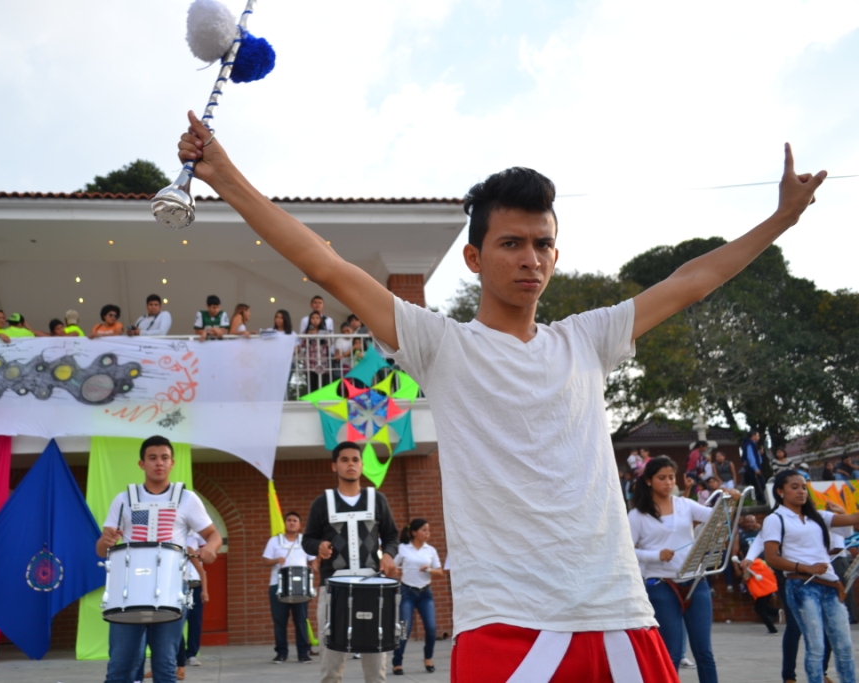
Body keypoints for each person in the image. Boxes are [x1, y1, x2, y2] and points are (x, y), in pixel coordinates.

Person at [177, 113, 826, 680]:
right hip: (508, 624)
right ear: (474, 257)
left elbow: (691, 280)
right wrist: (224, 175)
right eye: (511, 243)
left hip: (619, 614)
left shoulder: (587, 338)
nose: (530, 258)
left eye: (543, 243)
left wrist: (781, 219)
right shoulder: (440, 344)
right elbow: (325, 264)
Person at [95, 436, 222, 683]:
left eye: (164, 458)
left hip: (171, 590)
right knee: (120, 666)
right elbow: (102, 550)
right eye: (152, 458)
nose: (159, 463)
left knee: (165, 667)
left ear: (172, 463)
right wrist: (105, 541)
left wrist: (212, 548)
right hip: (128, 592)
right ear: (142, 464)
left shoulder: (187, 498)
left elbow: (212, 534)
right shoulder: (124, 500)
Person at [628, 456, 740, 681]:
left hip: (695, 580)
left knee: (704, 652)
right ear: (649, 480)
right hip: (661, 584)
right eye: (662, 478)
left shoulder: (685, 505)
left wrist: (731, 501)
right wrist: (655, 555)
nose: (668, 483)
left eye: (671, 477)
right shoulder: (637, 515)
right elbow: (626, 552)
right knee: (672, 652)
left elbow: (719, 518)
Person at [300, 442, 398, 683]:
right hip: (333, 589)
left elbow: (392, 536)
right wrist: (318, 547)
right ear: (335, 466)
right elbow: (308, 539)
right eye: (344, 460)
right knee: (331, 665)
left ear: (362, 465)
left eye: (355, 459)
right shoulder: (322, 502)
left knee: (376, 663)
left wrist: (388, 554)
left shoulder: (377, 499)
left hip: (372, 588)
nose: (351, 464)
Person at [762, 469, 859, 683]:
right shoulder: (775, 519)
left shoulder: (818, 517)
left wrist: (844, 511)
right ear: (780, 491)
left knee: (843, 645)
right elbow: (771, 558)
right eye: (794, 487)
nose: (801, 491)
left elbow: (853, 519)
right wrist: (806, 567)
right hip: (801, 586)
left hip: (830, 585)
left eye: (804, 487)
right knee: (816, 646)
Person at [262, 511, 316, 664]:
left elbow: (313, 561)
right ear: (285, 523)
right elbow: (265, 560)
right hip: (278, 585)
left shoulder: (305, 541)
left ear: (300, 525)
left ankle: (303, 653)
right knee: (280, 621)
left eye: (295, 520)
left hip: (300, 587)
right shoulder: (274, 541)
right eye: (289, 520)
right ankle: (281, 653)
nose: (292, 523)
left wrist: (315, 565)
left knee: (301, 620)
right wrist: (275, 561)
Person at [391, 519, 443, 676]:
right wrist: (394, 571)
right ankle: (397, 662)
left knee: (431, 628)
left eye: (428, 530)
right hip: (407, 592)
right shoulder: (403, 548)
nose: (428, 533)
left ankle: (428, 658)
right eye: (424, 530)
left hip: (425, 593)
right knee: (404, 629)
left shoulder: (430, 550)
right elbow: (393, 567)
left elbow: (439, 572)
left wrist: (429, 570)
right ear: (414, 532)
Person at [176, 531, 208, 679]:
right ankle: (178, 656)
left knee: (195, 621)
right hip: (178, 583)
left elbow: (205, 561)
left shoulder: (197, 534)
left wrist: (205, 590)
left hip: (195, 584)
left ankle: (191, 654)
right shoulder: (174, 532)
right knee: (177, 621)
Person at [300, 311, 331, 393]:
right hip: (310, 362)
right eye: (313, 318)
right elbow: (302, 345)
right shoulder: (306, 332)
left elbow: (330, 344)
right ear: (310, 320)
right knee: (311, 386)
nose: (315, 320)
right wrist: (308, 336)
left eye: (317, 318)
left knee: (322, 386)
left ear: (321, 320)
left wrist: (324, 336)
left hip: (322, 362)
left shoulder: (325, 332)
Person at [742, 431, 766, 503]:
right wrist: (755, 468)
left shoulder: (753, 444)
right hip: (753, 469)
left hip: (755, 467)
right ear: (753, 435)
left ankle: (759, 499)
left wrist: (759, 453)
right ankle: (760, 500)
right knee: (759, 485)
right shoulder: (749, 444)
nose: (758, 437)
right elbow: (750, 457)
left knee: (760, 484)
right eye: (757, 435)